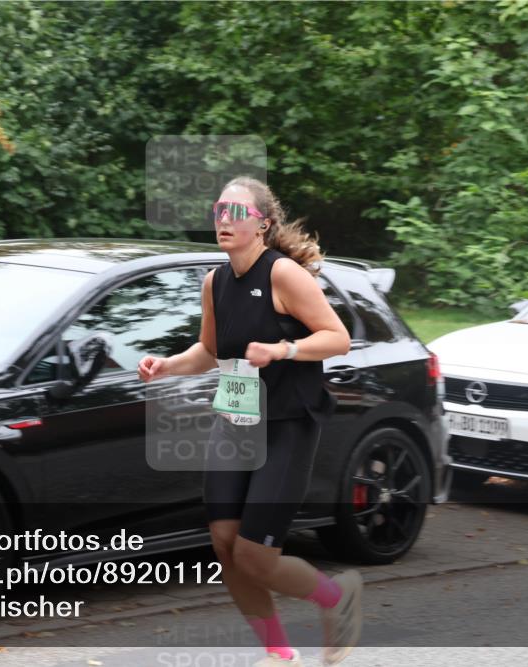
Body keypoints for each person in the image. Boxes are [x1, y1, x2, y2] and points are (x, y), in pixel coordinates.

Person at [137, 176, 364, 666]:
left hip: (286, 425)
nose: (224, 219)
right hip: (235, 421)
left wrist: (285, 349)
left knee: (256, 556)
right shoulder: (214, 282)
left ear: (262, 224)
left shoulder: (283, 275)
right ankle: (280, 654)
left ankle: (334, 596)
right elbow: (211, 351)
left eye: (236, 212)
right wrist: (168, 366)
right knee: (224, 544)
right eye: (220, 209)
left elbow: (338, 337)